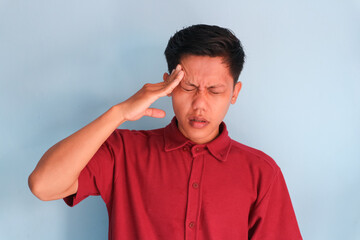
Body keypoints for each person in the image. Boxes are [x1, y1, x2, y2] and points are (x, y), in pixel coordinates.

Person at [28, 24, 302, 240]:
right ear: (168, 84)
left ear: (234, 93)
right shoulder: (123, 152)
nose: (199, 104)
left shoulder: (261, 172)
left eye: (215, 91)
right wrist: (119, 113)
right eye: (188, 87)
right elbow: (43, 185)